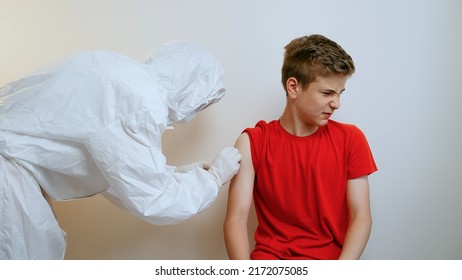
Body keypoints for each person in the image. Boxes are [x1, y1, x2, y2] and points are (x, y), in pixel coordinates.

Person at [0, 41, 241, 259]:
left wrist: (177, 174)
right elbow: (154, 199)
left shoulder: (118, 70)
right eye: (203, 101)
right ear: (192, 87)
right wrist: (213, 179)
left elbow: (114, 169)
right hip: (9, 174)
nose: (197, 109)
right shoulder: (143, 103)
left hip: (14, 163)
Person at [224, 34, 377, 260]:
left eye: (339, 93)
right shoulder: (251, 142)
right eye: (327, 93)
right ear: (294, 87)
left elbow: (361, 217)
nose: (336, 103)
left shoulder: (351, 139)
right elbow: (235, 219)